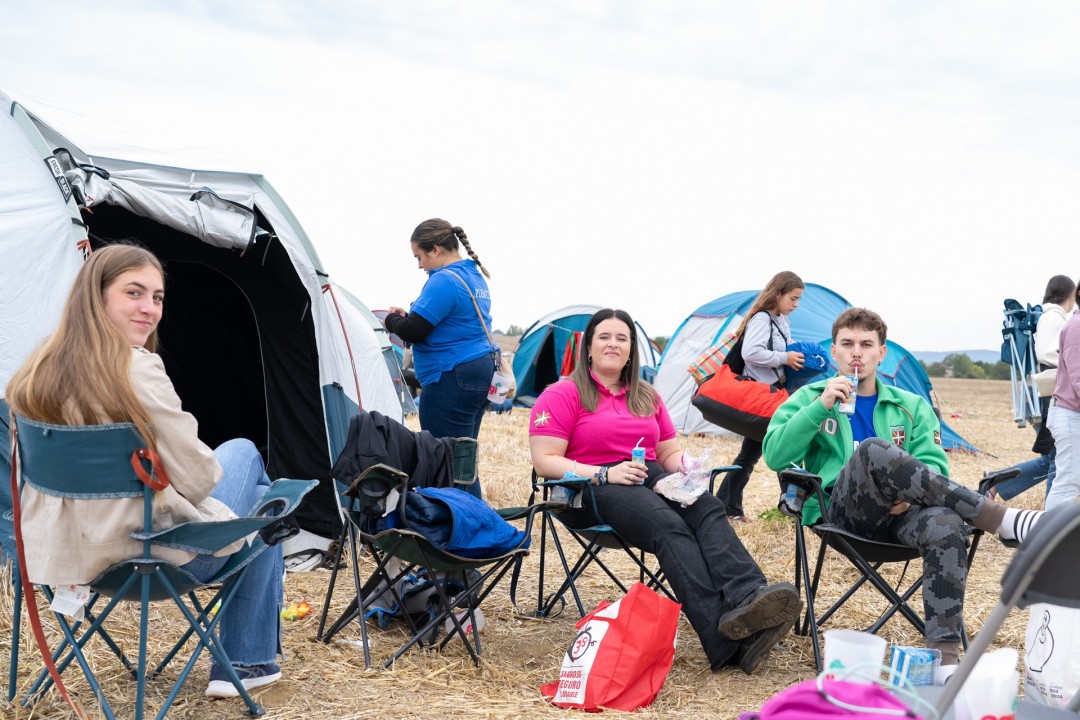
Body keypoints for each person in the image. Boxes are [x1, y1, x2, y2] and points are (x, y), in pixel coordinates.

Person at [6, 244, 285, 700]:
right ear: (95, 296)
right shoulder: (136, 368)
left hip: (69, 558)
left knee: (257, 497)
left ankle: (249, 654)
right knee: (253, 475)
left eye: (157, 297)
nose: (149, 309)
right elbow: (199, 478)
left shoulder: (32, 372)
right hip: (150, 555)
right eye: (133, 293)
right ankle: (245, 662)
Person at [763, 307, 1044, 683]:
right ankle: (1001, 520)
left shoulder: (910, 406)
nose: (857, 353)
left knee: (945, 521)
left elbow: (935, 466)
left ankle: (944, 661)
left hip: (902, 518)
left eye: (867, 344)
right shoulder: (810, 398)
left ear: (881, 353)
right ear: (834, 351)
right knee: (872, 450)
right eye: (848, 343)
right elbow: (775, 455)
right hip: (843, 514)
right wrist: (820, 407)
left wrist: (912, 499)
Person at [529, 308, 802, 674]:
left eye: (622, 338)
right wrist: (605, 474)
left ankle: (749, 599)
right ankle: (726, 640)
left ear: (632, 349)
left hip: (649, 475)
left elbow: (667, 453)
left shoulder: (646, 395)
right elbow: (545, 460)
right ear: (588, 347)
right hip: (589, 486)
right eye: (604, 337)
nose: (613, 344)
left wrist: (688, 467)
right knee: (667, 525)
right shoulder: (564, 393)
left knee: (706, 505)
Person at [383, 218, 498, 499]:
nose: (419, 265)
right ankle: (472, 517)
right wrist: (409, 318)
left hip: (451, 376)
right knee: (462, 459)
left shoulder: (444, 280)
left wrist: (391, 320)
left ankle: (465, 520)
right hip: (479, 371)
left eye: (419, 257)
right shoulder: (472, 275)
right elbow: (446, 323)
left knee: (446, 461)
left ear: (435, 249)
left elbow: (415, 331)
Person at [715, 271, 805, 521]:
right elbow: (751, 353)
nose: (796, 304)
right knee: (784, 450)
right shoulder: (762, 319)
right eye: (793, 298)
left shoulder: (781, 320)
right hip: (762, 397)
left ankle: (726, 507)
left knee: (750, 455)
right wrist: (784, 357)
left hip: (774, 395)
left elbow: (786, 347)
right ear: (778, 294)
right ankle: (793, 508)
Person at [987, 275, 1076, 502]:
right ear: (1070, 295)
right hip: (1043, 397)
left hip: (1039, 396)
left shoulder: (1048, 317)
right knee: (1057, 460)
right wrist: (1068, 364)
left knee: (1053, 458)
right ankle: (1053, 516)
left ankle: (996, 482)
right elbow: (1046, 353)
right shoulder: (1052, 318)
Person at [1045, 306, 1080, 510]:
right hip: (1072, 415)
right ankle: (1052, 529)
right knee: (1067, 484)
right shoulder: (1077, 326)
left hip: (1072, 413)